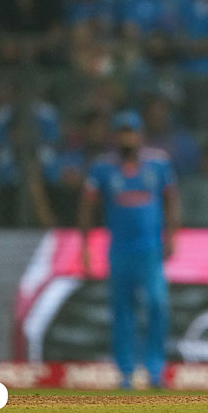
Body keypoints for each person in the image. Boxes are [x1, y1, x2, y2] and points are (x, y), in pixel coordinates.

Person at [78, 110, 180, 390]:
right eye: (122, 133)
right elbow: (87, 205)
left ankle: (155, 369)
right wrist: (84, 245)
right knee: (122, 311)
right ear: (114, 137)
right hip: (120, 250)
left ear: (140, 135)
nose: (127, 138)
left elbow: (171, 199)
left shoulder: (158, 164)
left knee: (157, 305)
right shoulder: (103, 168)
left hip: (150, 250)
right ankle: (125, 371)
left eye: (131, 132)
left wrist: (172, 235)